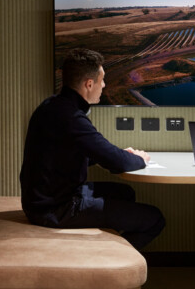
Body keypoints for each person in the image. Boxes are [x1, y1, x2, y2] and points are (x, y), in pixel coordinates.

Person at [19, 47, 165, 251]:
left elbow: (69, 154)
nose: (104, 85)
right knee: (155, 219)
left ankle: (107, 242)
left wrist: (118, 154)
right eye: (102, 80)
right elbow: (118, 163)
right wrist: (140, 159)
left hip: (42, 199)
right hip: (56, 208)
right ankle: (111, 261)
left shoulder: (52, 106)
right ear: (89, 84)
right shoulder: (71, 117)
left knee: (125, 192)